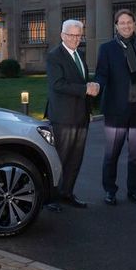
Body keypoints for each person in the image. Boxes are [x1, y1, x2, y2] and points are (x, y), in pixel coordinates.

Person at [94, 9, 136, 206]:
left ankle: (134, 190)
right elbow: (101, 74)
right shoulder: (107, 49)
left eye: (129, 22)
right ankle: (110, 190)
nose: (126, 26)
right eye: (121, 23)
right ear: (116, 26)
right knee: (111, 154)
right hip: (115, 110)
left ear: (135, 25)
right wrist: (96, 87)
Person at [44, 19, 99, 212]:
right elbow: (58, 85)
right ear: (62, 35)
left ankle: (67, 193)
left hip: (81, 115)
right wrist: (86, 88)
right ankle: (51, 198)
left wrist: (89, 108)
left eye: (78, 35)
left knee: (76, 158)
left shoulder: (80, 55)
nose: (75, 39)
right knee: (60, 158)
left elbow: (81, 80)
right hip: (63, 117)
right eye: (71, 35)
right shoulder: (54, 56)